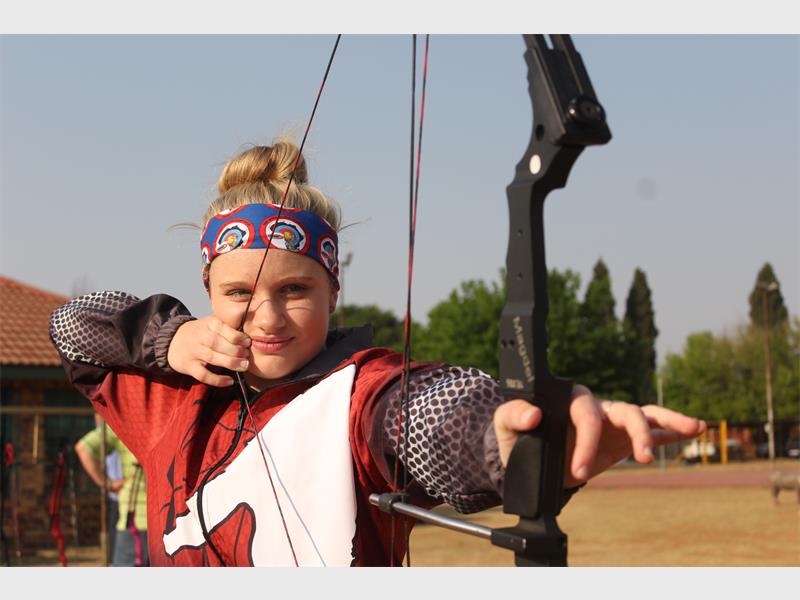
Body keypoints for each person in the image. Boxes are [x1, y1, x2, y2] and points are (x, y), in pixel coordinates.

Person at [50, 138, 705, 567]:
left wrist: (507, 437)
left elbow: (420, 414)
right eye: (238, 292)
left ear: (334, 291)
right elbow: (70, 325)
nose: (267, 317)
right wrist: (166, 337)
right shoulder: (173, 394)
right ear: (208, 292)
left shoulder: (359, 390)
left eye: (295, 289)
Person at [74, 418, 149, 566]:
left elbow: (83, 448)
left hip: (135, 517)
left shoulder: (126, 421)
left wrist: (107, 484)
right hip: (172, 519)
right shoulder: (175, 417)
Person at [74, 414, 124, 563]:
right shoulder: (109, 428)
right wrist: (107, 483)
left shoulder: (115, 425)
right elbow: (83, 449)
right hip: (120, 496)